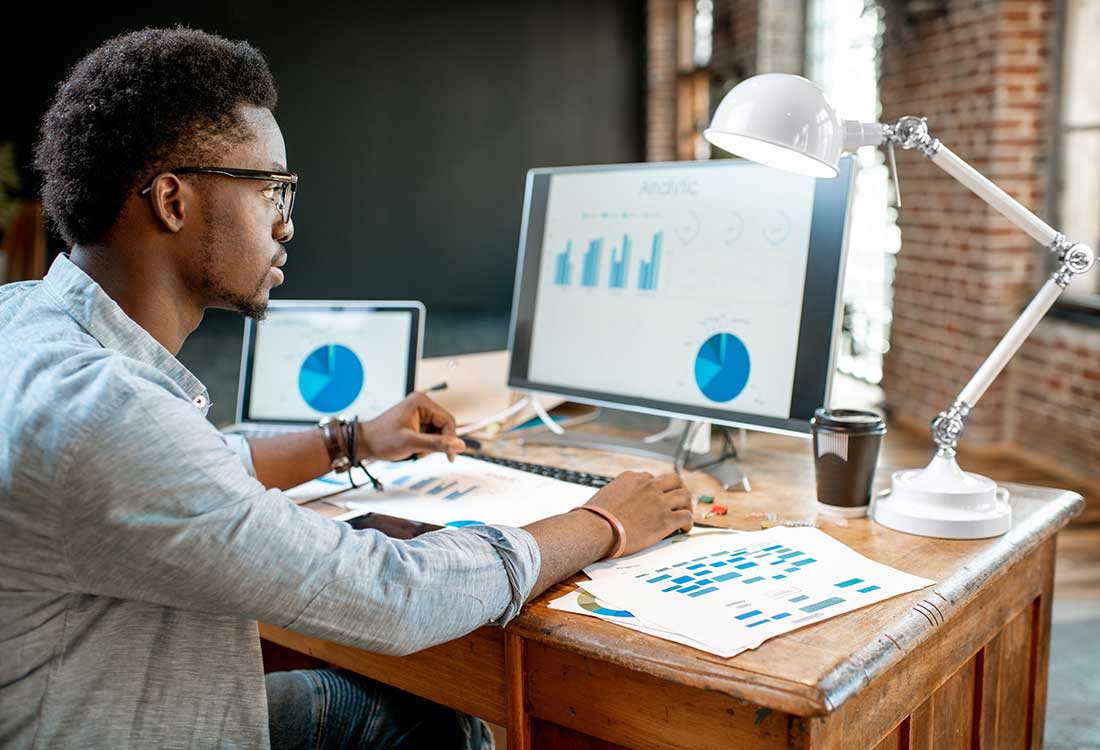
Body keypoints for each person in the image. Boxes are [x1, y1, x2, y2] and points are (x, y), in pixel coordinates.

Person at [0, 26, 693, 749]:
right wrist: (603, 523)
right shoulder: (104, 412)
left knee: (411, 711)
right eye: (271, 189)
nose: (285, 225)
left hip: (109, 693)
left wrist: (354, 439)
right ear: (173, 202)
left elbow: (184, 479)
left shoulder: (26, 320)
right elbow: (389, 596)